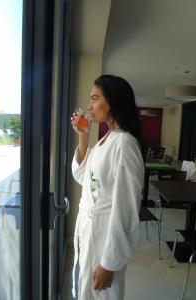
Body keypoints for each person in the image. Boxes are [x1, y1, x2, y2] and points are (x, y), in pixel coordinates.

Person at [71, 75, 144, 300]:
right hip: (90, 233)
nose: (90, 106)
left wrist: (109, 263)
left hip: (105, 242)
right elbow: (84, 178)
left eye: (95, 99)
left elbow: (127, 208)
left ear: (111, 102)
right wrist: (84, 138)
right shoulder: (105, 140)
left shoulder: (124, 144)